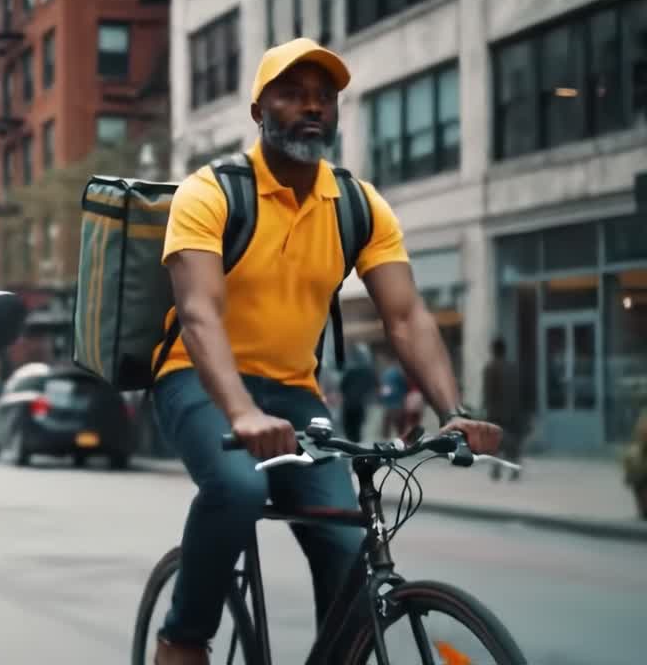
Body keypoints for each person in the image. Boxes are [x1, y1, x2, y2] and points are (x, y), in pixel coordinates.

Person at [149, 38, 502, 665]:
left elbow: (406, 315)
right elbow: (200, 314)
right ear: (259, 111)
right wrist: (241, 415)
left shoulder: (359, 206)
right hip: (197, 380)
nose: (312, 107)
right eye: (292, 94)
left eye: (324, 98)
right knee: (236, 488)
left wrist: (455, 409)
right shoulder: (210, 193)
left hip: (294, 391)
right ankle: (183, 637)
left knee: (347, 537)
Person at [482, 336, 523, 481]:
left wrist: (486, 409)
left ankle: (496, 470)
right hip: (512, 411)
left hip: (496, 412)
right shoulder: (512, 367)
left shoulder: (490, 368)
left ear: (493, 350)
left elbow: (488, 392)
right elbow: (518, 390)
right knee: (512, 443)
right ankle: (514, 470)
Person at [338, 344, 377, 442]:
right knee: (357, 426)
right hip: (361, 403)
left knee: (349, 427)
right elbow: (373, 385)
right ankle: (356, 443)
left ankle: (351, 442)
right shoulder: (368, 371)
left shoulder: (350, 370)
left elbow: (343, 386)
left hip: (349, 402)